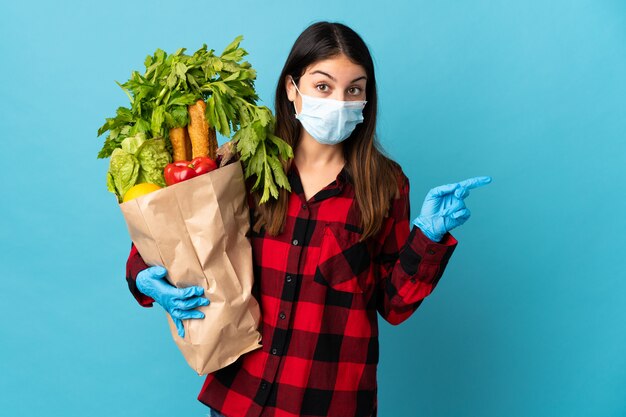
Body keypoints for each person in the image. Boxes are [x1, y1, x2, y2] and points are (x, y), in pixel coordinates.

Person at [125, 21, 491, 417]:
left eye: (354, 89)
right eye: (323, 86)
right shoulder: (245, 167)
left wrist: (428, 239)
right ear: (291, 89)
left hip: (331, 403)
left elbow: (393, 305)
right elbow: (188, 238)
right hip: (241, 398)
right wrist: (144, 275)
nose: (340, 100)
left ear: (367, 98)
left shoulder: (386, 185)